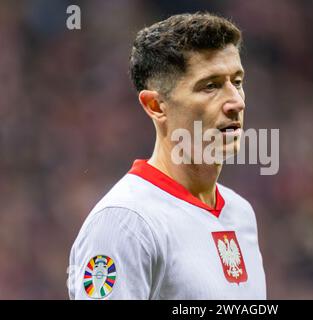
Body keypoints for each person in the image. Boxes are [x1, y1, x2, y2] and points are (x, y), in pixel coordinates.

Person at [68, 12, 266, 300]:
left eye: (237, 82)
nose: (235, 102)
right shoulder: (125, 223)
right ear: (156, 106)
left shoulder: (240, 213)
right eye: (210, 86)